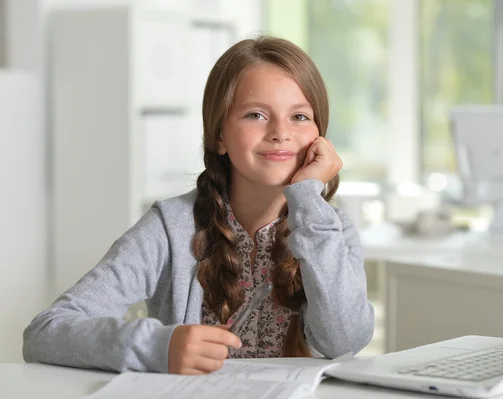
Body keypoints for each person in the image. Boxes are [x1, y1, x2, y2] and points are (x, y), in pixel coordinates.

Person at [23, 35, 375, 375]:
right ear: (219, 135)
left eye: (299, 117)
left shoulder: (331, 228)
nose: (280, 132)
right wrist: (159, 347)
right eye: (255, 114)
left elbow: (345, 342)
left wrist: (308, 199)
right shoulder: (170, 227)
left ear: (319, 137)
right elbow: (45, 332)